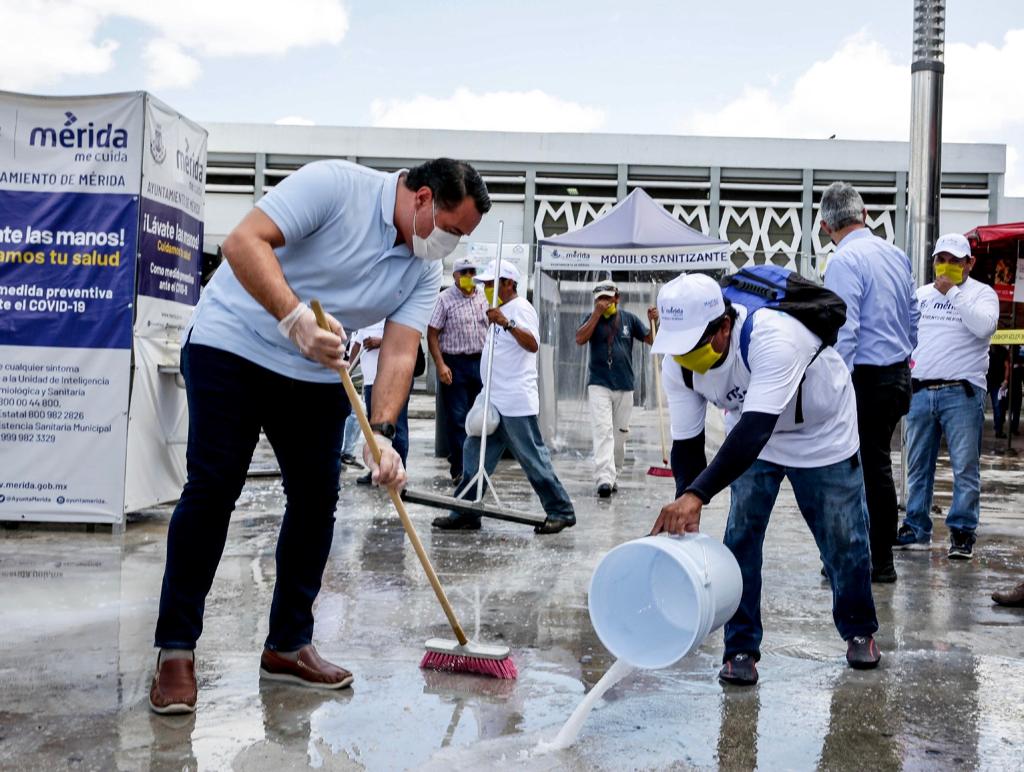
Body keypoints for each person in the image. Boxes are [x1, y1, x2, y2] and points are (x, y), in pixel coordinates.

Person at [148, 157, 490, 714]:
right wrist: (294, 318)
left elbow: (402, 350)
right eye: (452, 230)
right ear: (423, 198)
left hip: (314, 371)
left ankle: (287, 644)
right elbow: (243, 242)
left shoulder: (423, 270)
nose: (451, 246)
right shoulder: (334, 186)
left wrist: (382, 435)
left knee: (316, 501)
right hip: (231, 344)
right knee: (213, 491)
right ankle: (176, 652)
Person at [650, 273, 880, 686]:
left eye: (693, 346)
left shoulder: (772, 335)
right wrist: (687, 496)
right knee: (740, 539)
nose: (685, 357)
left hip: (821, 431)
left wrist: (699, 495)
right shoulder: (679, 366)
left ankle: (858, 629)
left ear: (724, 326)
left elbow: (756, 427)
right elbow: (688, 443)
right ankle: (740, 649)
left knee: (844, 539)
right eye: (678, 349)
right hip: (755, 441)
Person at [431, 260, 576, 535]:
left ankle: (561, 510)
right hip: (493, 398)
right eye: (485, 284)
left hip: (515, 401)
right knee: (473, 452)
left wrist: (506, 323)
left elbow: (532, 344)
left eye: (490, 283)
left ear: (508, 283)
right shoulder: (498, 309)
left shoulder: (520, 309)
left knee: (532, 457)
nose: (485, 288)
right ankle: (465, 511)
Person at [821, 181, 919, 584]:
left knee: (855, 471)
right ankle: (877, 559)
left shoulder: (843, 262)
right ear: (864, 215)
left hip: (865, 379)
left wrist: (834, 390)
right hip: (896, 374)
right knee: (876, 465)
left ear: (826, 227)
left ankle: (870, 561)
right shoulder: (895, 254)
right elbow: (914, 317)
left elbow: (844, 331)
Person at [896, 233, 998, 560]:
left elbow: (984, 328)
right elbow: (905, 333)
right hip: (921, 391)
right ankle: (916, 528)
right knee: (917, 466)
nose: (947, 265)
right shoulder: (921, 295)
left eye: (955, 260)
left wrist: (952, 292)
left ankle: (962, 532)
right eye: (941, 259)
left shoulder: (983, 294)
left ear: (970, 263)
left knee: (965, 467)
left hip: (962, 393)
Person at [574, 281, 657, 497]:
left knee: (620, 435)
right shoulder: (592, 318)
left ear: (617, 298)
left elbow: (651, 339)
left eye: (608, 298)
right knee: (603, 431)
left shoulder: (629, 319)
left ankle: (614, 473)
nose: (604, 303)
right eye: (600, 299)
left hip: (624, 384)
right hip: (599, 383)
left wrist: (654, 321)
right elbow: (580, 339)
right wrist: (596, 314)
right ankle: (604, 478)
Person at [427, 257, 488, 482]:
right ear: (454, 276)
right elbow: (432, 333)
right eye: (463, 272)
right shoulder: (444, 299)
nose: (468, 276)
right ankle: (460, 469)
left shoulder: (483, 296)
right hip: (455, 363)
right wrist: (441, 364)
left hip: (479, 361)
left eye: (471, 272)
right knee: (458, 418)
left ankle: (478, 466)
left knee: (479, 417)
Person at [349, 320, 412, 485]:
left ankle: (398, 471)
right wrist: (346, 372)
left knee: (396, 428)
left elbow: (406, 342)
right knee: (373, 430)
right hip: (370, 382)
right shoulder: (367, 316)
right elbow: (356, 346)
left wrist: (380, 342)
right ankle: (376, 469)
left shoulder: (395, 317)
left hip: (393, 383)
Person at [986, 344, 1009, 439]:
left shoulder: (1002, 350)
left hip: (997, 383)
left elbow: (1007, 366)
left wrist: (1006, 380)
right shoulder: (985, 348)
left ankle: (999, 431)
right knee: (977, 406)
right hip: (984, 382)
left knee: (998, 408)